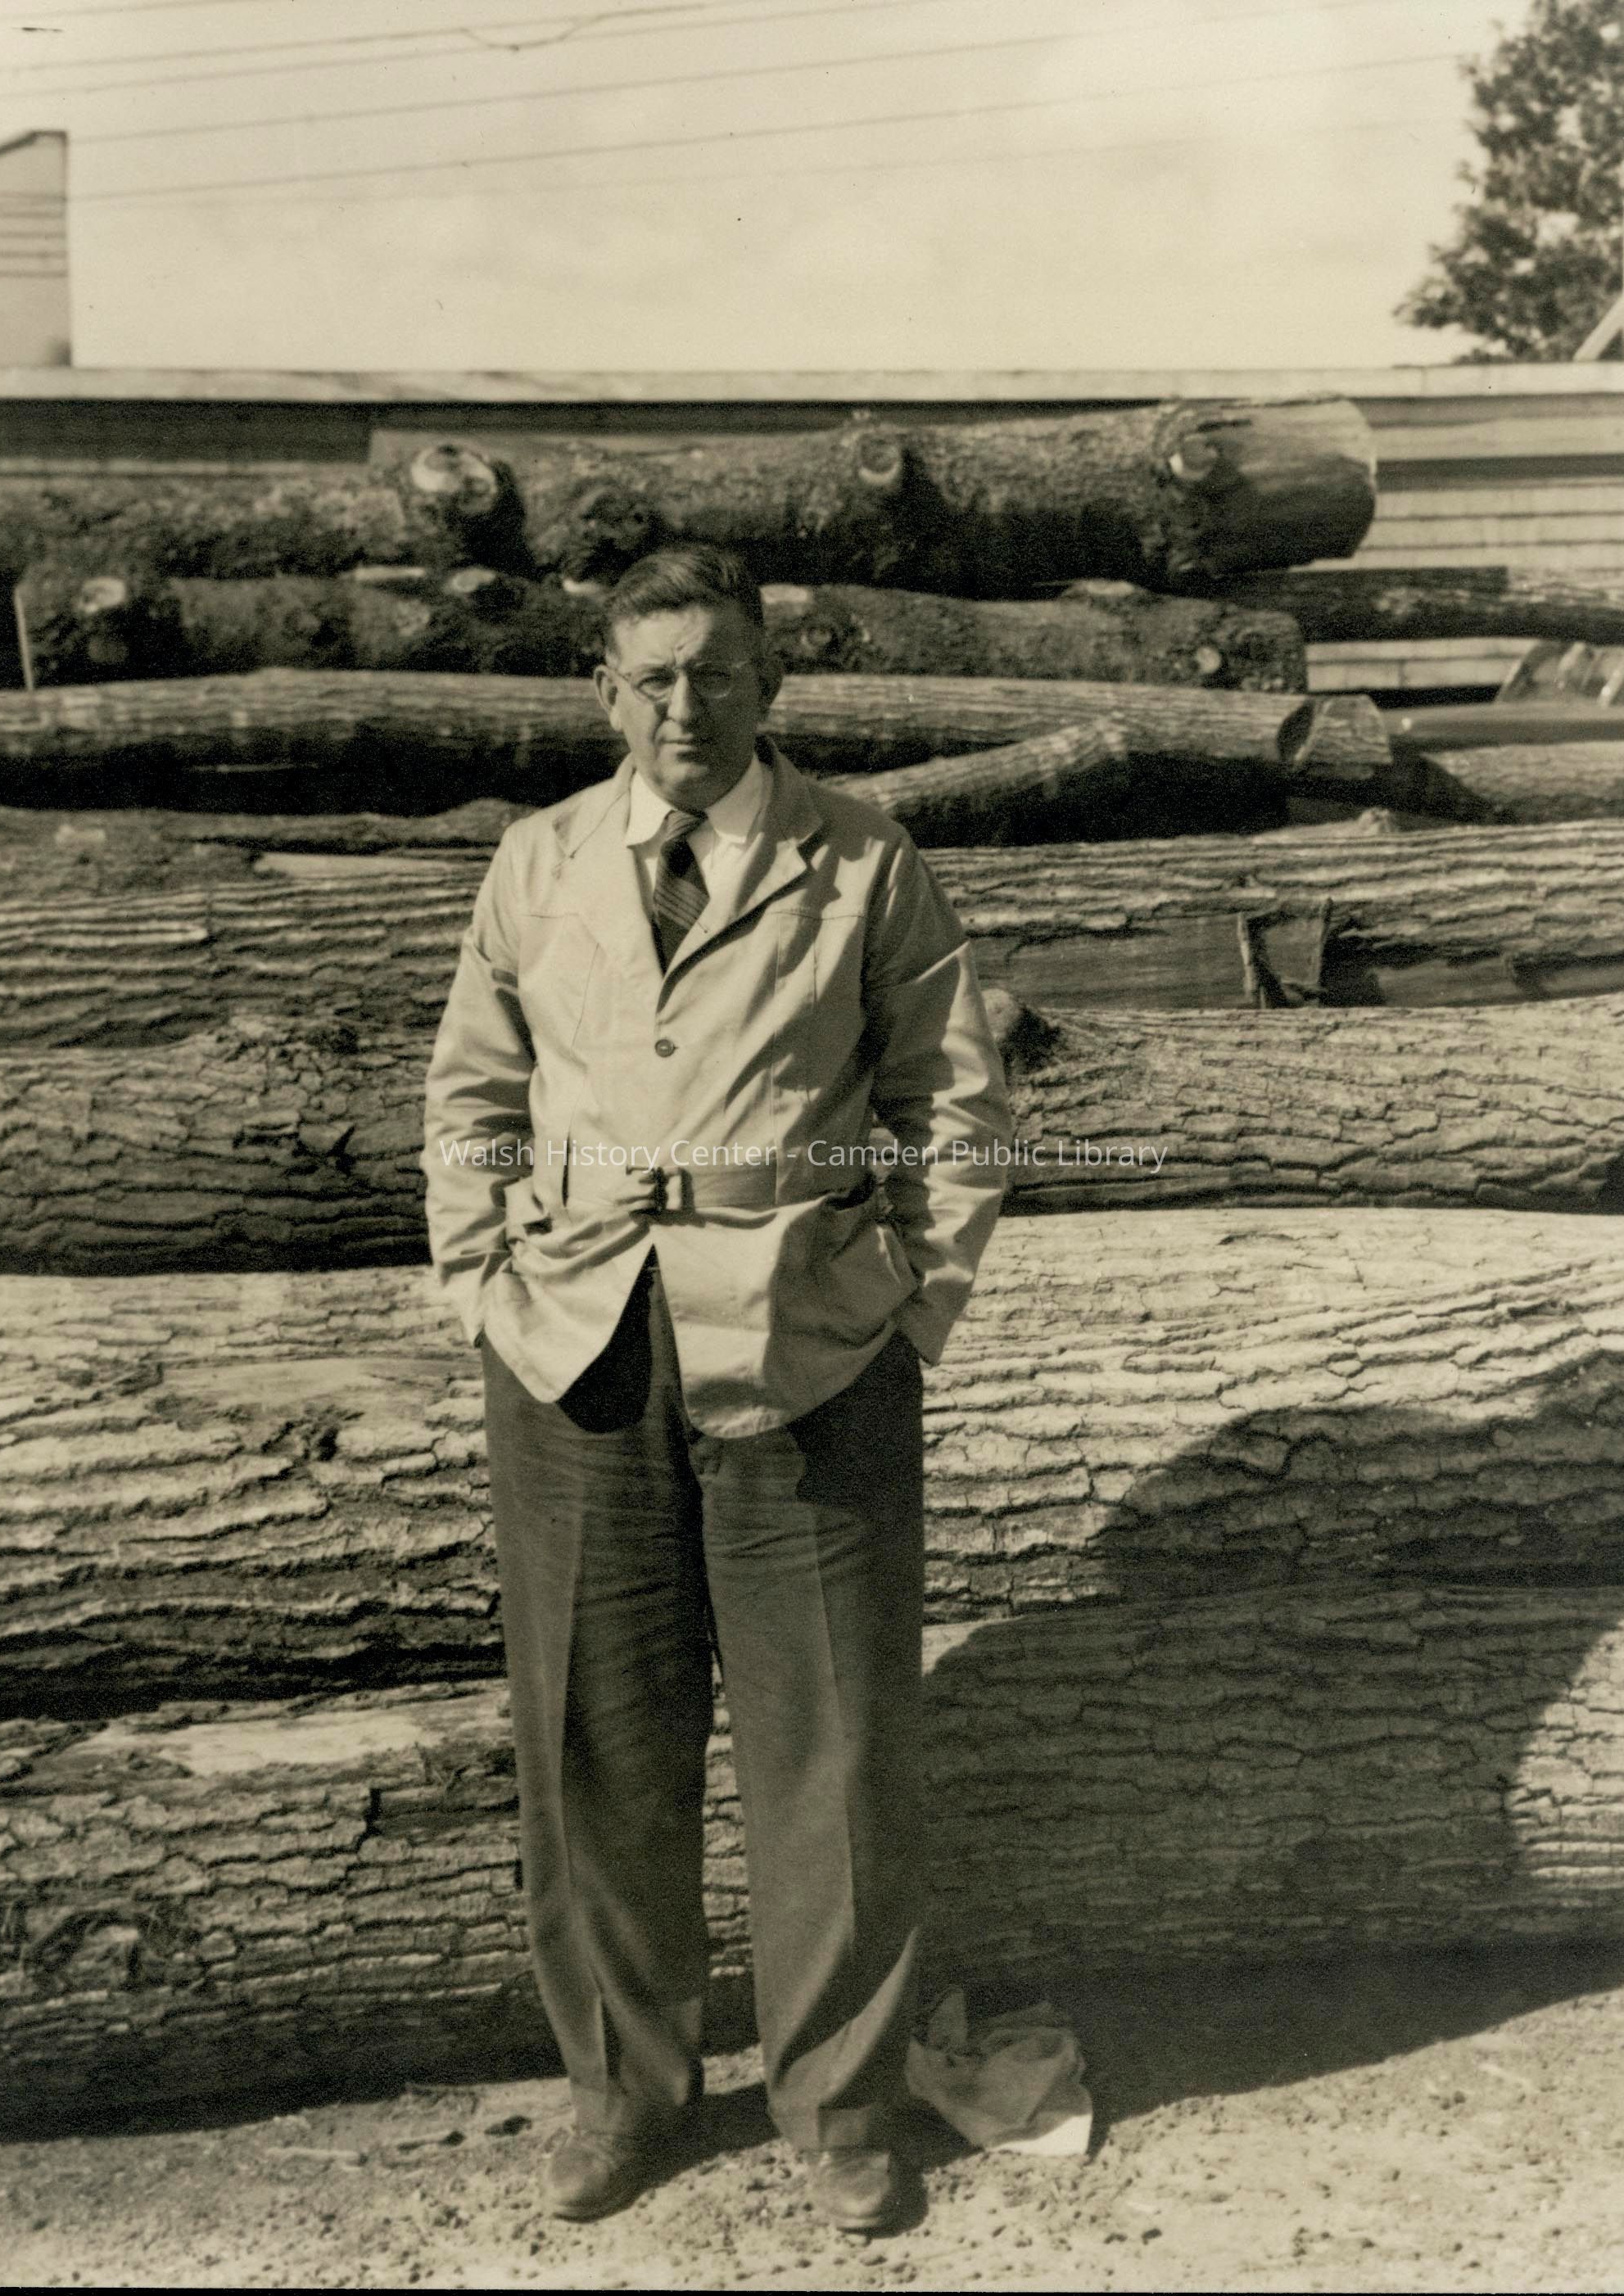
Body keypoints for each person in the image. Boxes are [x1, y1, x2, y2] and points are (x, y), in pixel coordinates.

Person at [422, 542, 1012, 2235]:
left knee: (833, 1743)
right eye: (654, 678)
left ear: (770, 686)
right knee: (596, 1739)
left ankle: (842, 2103)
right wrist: (484, 1283)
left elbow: (955, 1100)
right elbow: (472, 1094)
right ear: (607, 692)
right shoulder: (539, 863)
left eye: (719, 674)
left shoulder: (862, 858)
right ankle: (624, 2090)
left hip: (806, 1342)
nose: (687, 707)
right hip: (579, 1345)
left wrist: (905, 1299)